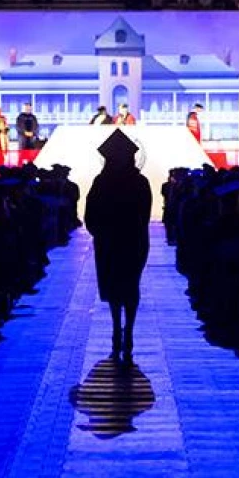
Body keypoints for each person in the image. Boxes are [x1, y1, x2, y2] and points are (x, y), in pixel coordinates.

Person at [85, 129, 152, 365]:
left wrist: (100, 232)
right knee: (131, 286)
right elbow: (144, 214)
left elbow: (90, 215)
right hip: (132, 240)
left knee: (114, 287)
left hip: (110, 241)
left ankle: (117, 330)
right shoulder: (140, 182)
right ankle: (128, 331)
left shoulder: (101, 182)